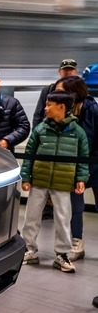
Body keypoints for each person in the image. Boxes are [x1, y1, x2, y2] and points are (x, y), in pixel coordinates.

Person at [20, 90, 89, 273]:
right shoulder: (40, 129)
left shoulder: (78, 132)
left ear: (61, 107)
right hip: (39, 181)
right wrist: (26, 177)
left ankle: (62, 254)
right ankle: (29, 249)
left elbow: (83, 158)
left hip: (63, 183)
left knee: (63, 219)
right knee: (31, 217)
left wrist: (81, 178)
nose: (45, 108)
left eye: (49, 105)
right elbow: (29, 155)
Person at [54, 76, 98, 260]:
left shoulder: (94, 110)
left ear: (74, 93)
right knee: (75, 207)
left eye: (61, 93)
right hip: (73, 168)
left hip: (95, 166)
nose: (56, 96)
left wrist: (89, 168)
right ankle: (76, 242)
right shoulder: (62, 112)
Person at [33, 59, 79, 127]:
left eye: (71, 70)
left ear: (75, 72)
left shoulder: (79, 91)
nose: (68, 72)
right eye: (65, 70)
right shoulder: (48, 90)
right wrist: (35, 132)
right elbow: (38, 114)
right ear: (59, 71)